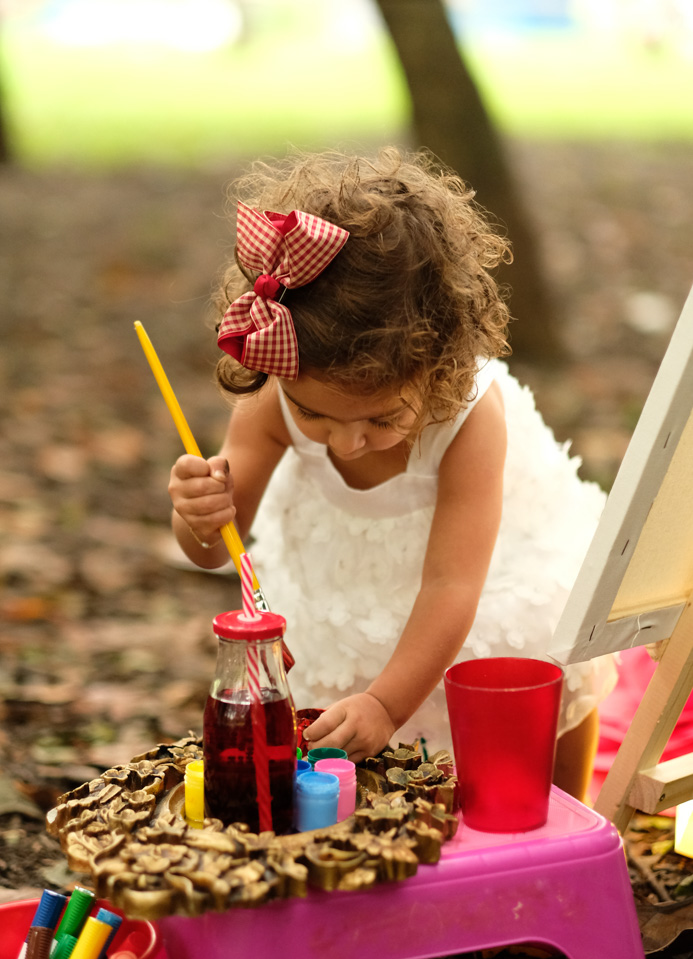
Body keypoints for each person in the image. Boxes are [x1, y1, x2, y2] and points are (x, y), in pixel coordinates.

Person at [168, 147, 615, 802]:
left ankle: (567, 830)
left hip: (483, 572)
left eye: (380, 419)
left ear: (435, 368)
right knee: (375, 769)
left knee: (544, 681)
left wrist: (385, 701)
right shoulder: (271, 399)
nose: (347, 443)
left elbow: (451, 583)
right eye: (313, 415)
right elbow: (215, 551)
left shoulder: (467, 414)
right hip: (346, 581)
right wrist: (197, 517)